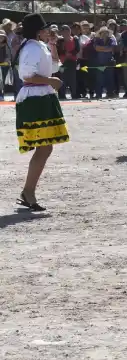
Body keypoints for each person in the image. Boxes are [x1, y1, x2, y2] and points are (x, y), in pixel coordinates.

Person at [13, 13, 69, 211]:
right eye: (45, 28)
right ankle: (28, 192)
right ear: (38, 31)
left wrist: (53, 45)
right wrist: (51, 81)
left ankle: (28, 191)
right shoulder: (30, 48)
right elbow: (27, 75)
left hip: (42, 96)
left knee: (46, 147)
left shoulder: (40, 46)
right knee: (44, 147)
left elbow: (54, 66)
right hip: (35, 98)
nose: (48, 31)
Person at [56, 25, 80, 100]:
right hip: (62, 62)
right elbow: (58, 50)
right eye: (64, 30)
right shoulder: (59, 40)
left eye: (67, 30)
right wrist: (64, 53)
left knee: (72, 79)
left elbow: (77, 49)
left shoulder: (75, 39)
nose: (66, 32)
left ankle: (74, 94)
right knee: (63, 78)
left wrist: (71, 53)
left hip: (72, 61)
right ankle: (62, 95)